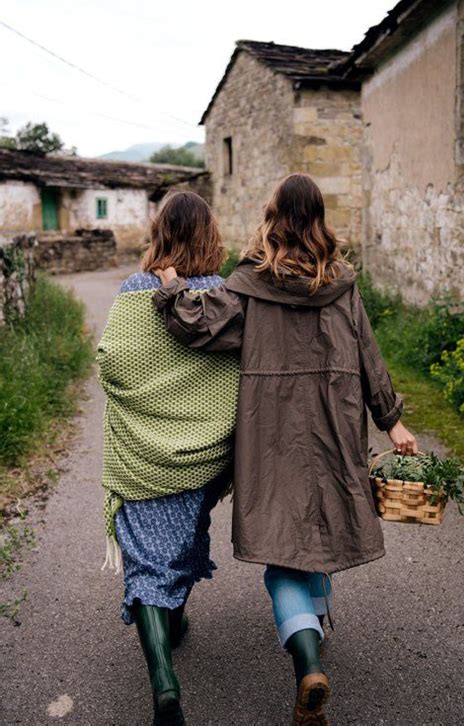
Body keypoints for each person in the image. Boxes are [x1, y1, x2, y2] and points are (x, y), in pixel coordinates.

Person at [153, 173, 417, 726]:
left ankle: (308, 664)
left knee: (283, 555)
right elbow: (369, 353)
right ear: (318, 218)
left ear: (273, 218)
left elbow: (198, 326)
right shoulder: (343, 282)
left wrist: (173, 285)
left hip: (270, 430)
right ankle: (315, 632)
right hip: (336, 423)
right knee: (317, 529)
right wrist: (391, 422)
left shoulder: (248, 284)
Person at [97, 191, 240, 726]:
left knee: (147, 560)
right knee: (180, 539)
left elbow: (112, 361)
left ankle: (164, 687)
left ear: (160, 232)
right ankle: (172, 624)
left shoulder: (136, 290)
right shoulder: (227, 294)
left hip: (142, 453)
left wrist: (142, 403)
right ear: (209, 234)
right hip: (207, 454)